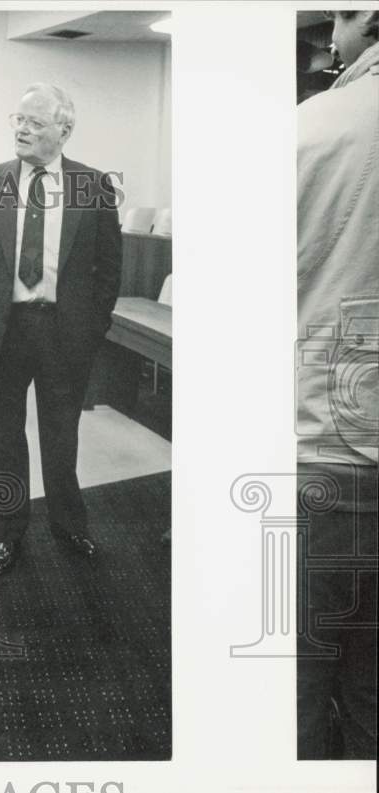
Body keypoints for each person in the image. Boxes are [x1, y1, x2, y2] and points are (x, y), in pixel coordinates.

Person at [0, 83, 121, 575]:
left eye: (34, 123)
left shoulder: (94, 185)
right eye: (18, 119)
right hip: (3, 329)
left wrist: (92, 328)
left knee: (61, 438)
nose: (20, 129)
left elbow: (109, 270)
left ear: (64, 131)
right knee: (2, 440)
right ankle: (7, 532)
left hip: (65, 333)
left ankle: (68, 525)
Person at [295, 10, 378, 760]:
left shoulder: (310, 129)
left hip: (329, 458)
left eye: (339, 17)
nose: (330, 38)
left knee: (299, 675)